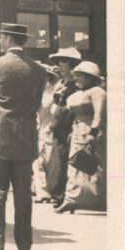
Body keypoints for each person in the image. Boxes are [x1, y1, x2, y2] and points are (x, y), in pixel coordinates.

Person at [0, 23, 46, 250]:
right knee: (23, 196)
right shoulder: (38, 69)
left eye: (0, 38)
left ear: (7, 38)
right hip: (25, 141)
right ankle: (24, 247)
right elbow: (37, 102)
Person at [55, 61, 106, 213]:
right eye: (75, 75)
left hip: (91, 131)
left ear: (89, 78)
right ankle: (71, 199)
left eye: (79, 76)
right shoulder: (77, 94)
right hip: (77, 131)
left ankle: (99, 199)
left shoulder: (98, 92)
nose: (75, 78)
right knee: (74, 166)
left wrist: (93, 132)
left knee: (95, 166)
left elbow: (99, 114)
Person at [47, 47, 82, 207]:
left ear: (71, 65)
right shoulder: (61, 83)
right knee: (55, 159)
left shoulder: (75, 84)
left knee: (65, 159)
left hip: (68, 124)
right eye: (59, 63)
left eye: (64, 63)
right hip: (58, 124)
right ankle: (56, 193)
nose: (60, 66)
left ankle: (63, 195)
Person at [33, 64, 62, 203]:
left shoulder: (55, 93)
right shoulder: (35, 92)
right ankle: (42, 193)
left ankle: (51, 190)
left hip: (51, 130)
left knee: (52, 162)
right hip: (37, 130)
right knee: (37, 162)